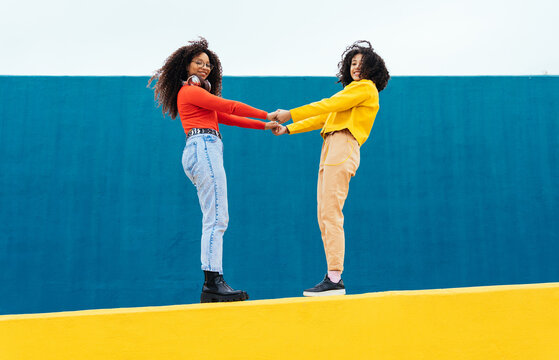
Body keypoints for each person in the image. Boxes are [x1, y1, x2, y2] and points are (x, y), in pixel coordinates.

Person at [148, 38, 279, 303]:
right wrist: (268, 114)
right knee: (217, 218)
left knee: (215, 216)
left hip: (204, 148)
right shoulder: (189, 92)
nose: (204, 67)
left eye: (208, 64)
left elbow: (228, 117)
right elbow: (228, 106)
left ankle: (213, 281)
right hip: (204, 147)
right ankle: (212, 282)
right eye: (199, 62)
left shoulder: (200, 99)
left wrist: (264, 126)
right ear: (186, 66)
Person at [273, 40, 390, 296]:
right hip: (331, 146)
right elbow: (324, 117)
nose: (356, 68)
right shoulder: (352, 94)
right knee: (324, 213)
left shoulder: (366, 88)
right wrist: (289, 128)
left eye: (362, 64)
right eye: (353, 63)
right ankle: (332, 276)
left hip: (343, 144)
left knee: (331, 212)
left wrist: (290, 114)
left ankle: (335, 278)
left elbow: (326, 105)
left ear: (373, 69)